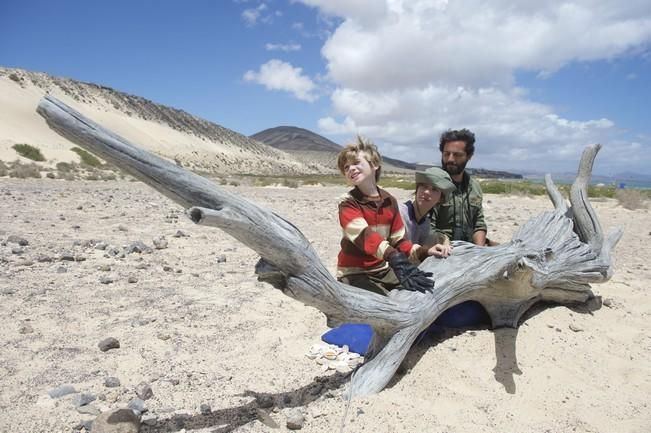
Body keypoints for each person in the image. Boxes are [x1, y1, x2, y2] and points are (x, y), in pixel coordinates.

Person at [335, 136, 434, 296]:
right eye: (346, 167)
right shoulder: (348, 203)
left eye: (356, 163)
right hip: (355, 273)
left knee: (421, 292)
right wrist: (394, 257)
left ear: (374, 165)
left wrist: (425, 252)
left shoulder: (390, 201)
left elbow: (399, 241)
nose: (351, 169)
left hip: (383, 269)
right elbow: (364, 236)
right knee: (386, 305)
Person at [430, 128, 492, 246]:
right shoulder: (432, 185)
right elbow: (426, 227)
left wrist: (479, 251)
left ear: (469, 156)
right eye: (446, 154)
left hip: (469, 249)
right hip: (440, 249)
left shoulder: (474, 187)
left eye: (457, 155)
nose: (450, 159)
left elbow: (479, 224)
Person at [399, 167, 455, 258]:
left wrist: (445, 241)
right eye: (424, 186)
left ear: (441, 198)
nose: (426, 192)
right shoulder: (400, 213)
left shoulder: (425, 223)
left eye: (434, 189)